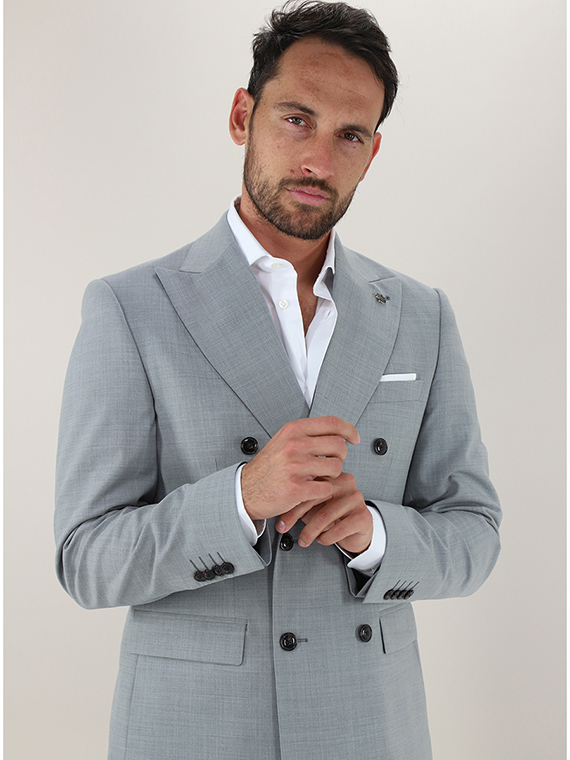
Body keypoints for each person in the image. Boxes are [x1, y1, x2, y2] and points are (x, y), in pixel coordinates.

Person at [54, 2, 501, 758]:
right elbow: (85, 560)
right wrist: (242, 497)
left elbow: (476, 534)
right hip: (196, 730)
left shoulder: (420, 314)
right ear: (243, 115)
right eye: (297, 119)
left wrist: (376, 535)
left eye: (349, 135)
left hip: (370, 727)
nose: (318, 160)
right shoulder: (131, 307)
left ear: (373, 152)